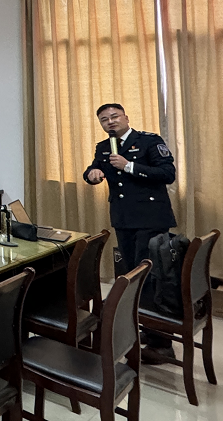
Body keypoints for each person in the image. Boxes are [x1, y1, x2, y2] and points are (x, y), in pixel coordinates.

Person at [84, 102, 177, 363]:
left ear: (126, 117)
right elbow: (92, 169)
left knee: (150, 278)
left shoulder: (148, 141)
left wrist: (128, 166)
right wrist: (92, 174)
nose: (110, 122)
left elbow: (167, 173)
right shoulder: (104, 147)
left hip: (151, 218)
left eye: (114, 116)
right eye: (104, 120)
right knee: (131, 275)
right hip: (123, 220)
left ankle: (162, 343)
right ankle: (146, 327)